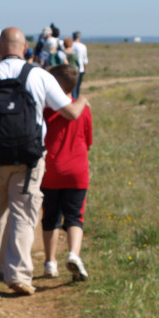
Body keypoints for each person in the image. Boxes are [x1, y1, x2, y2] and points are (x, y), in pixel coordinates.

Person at [0, 27, 88, 295]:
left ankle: (1, 263)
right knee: (24, 213)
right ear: (25, 49)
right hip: (29, 158)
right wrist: (82, 99)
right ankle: (19, 275)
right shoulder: (40, 76)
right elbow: (71, 113)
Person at [40, 65, 92, 281]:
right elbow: (88, 141)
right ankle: (73, 254)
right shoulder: (83, 109)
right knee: (74, 217)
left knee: (50, 217)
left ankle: (50, 262)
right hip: (77, 171)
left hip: (50, 170)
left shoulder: (46, 110)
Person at [72, 31, 89, 98]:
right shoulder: (83, 46)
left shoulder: (71, 45)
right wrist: (85, 69)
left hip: (71, 68)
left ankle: (74, 99)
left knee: (73, 87)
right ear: (79, 37)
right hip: (80, 68)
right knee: (77, 86)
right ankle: (76, 99)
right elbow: (85, 59)